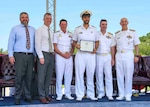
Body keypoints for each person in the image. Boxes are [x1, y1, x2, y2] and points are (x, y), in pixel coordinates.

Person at [8, 12, 35, 105]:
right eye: (23, 17)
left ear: (29, 18)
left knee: (29, 77)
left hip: (30, 56)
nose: (25, 19)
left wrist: (35, 55)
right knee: (19, 77)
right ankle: (17, 97)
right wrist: (10, 55)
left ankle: (27, 96)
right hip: (19, 55)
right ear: (20, 19)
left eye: (26, 17)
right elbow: (10, 43)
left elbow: (35, 44)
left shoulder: (33, 30)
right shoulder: (15, 29)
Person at [73, 10, 99, 101]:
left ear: (89, 18)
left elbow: (97, 41)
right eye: (85, 17)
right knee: (79, 74)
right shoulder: (77, 29)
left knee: (90, 74)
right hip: (81, 54)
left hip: (91, 55)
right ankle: (80, 94)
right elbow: (74, 42)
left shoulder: (94, 29)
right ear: (82, 18)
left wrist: (95, 48)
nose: (86, 18)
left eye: (88, 17)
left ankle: (91, 94)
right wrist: (77, 46)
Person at [115, 17, 140, 101]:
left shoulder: (133, 32)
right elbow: (114, 46)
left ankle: (128, 94)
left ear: (128, 22)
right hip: (119, 54)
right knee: (119, 75)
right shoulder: (117, 34)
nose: (124, 23)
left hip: (128, 54)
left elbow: (136, 44)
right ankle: (121, 94)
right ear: (120, 23)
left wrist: (136, 55)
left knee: (128, 75)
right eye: (122, 21)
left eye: (125, 21)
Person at [35, 12, 54, 104]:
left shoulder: (51, 31)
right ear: (43, 19)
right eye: (47, 18)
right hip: (43, 54)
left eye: (50, 19)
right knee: (41, 77)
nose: (49, 20)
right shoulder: (40, 30)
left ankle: (46, 94)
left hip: (50, 55)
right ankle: (41, 96)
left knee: (48, 77)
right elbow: (37, 44)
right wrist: (40, 56)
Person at [53, 19, 74, 100]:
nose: (63, 25)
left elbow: (73, 46)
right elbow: (55, 46)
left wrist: (70, 53)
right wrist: (62, 54)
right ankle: (59, 94)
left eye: (65, 24)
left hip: (68, 56)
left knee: (68, 75)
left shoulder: (70, 34)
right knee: (59, 75)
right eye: (62, 24)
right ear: (59, 25)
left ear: (67, 24)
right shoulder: (56, 34)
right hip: (60, 56)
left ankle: (68, 93)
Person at [96, 19, 115, 101]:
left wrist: (113, 58)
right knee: (99, 74)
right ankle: (100, 93)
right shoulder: (96, 34)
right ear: (100, 25)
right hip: (98, 55)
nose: (104, 26)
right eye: (102, 24)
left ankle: (109, 94)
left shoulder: (110, 35)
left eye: (105, 24)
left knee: (108, 75)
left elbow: (112, 47)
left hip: (107, 56)